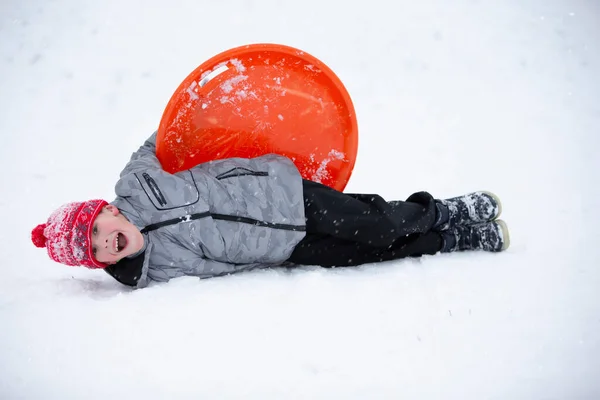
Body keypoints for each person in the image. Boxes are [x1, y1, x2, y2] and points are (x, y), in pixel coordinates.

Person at [31, 132, 510, 288]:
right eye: (95, 252)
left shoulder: (137, 180)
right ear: (105, 263)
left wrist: (208, 100)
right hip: (286, 249)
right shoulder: (151, 273)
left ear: (108, 211)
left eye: (96, 230)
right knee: (369, 255)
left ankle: (443, 211)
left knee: (377, 224)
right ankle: (450, 241)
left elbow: (173, 129)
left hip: (283, 194)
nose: (104, 242)